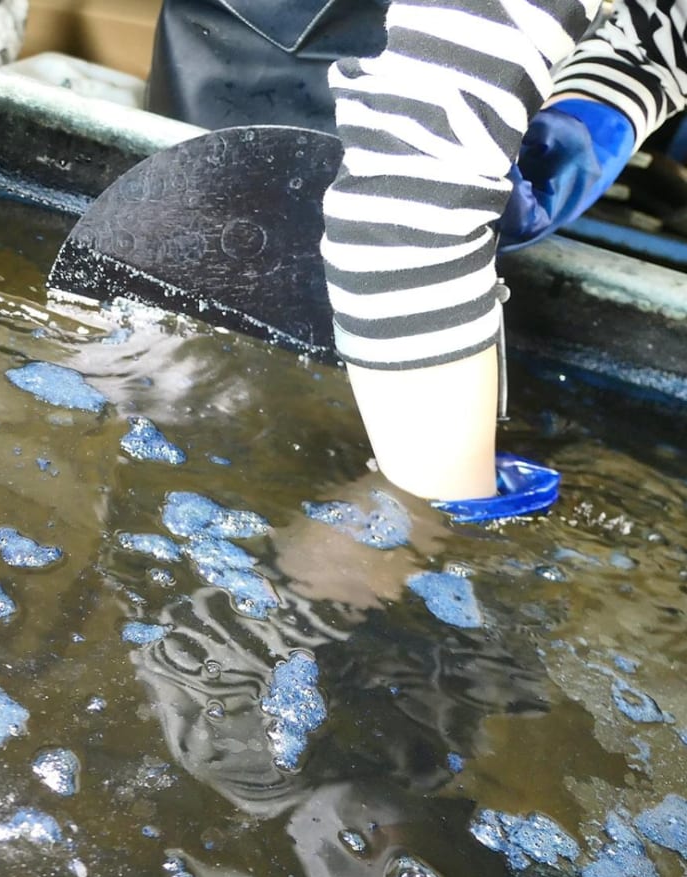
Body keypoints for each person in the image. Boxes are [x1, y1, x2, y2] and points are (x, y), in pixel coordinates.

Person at [149, 0, 687, 508]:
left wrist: (599, 106)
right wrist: (427, 518)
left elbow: (662, 35)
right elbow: (405, 206)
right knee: (202, 392)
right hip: (266, 59)